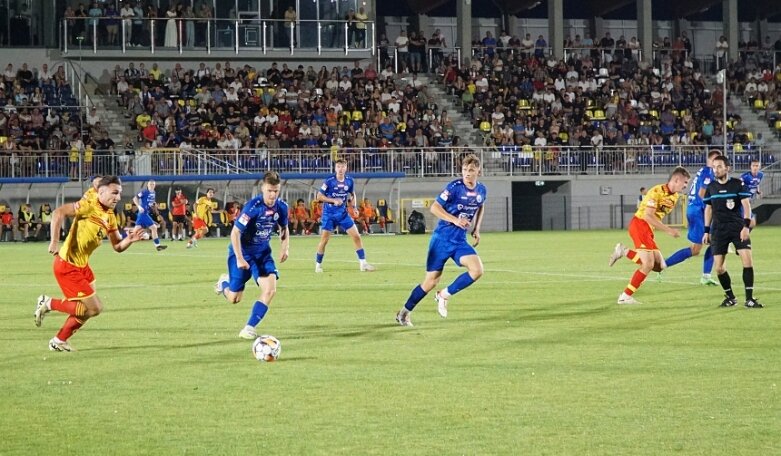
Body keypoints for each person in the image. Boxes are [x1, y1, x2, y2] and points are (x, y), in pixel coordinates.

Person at [33, 176, 145, 351]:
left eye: (119, 194)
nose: (117, 197)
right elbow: (58, 212)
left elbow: (117, 246)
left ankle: (59, 341)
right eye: (114, 193)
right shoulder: (88, 204)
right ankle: (48, 303)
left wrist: (129, 239)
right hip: (67, 265)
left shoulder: (110, 216)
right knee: (94, 309)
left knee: (85, 310)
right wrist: (54, 241)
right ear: (101, 192)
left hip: (83, 266)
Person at [395, 154, 487, 326]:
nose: (467, 173)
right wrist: (454, 220)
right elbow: (434, 207)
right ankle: (404, 312)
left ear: (478, 172)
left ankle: (443, 295)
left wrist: (477, 228)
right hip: (441, 240)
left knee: (477, 270)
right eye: (465, 170)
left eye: (471, 170)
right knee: (430, 282)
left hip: (459, 241)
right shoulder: (454, 187)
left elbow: (481, 205)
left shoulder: (482, 190)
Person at [214, 171, 290, 339]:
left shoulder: (282, 207)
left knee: (270, 290)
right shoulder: (252, 207)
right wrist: (240, 258)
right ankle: (224, 283)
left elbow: (284, 228)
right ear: (263, 188)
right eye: (269, 190)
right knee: (234, 298)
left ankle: (249, 327)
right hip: (242, 253)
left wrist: (285, 247)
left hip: (262, 253)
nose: (272, 194)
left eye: (276, 191)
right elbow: (235, 233)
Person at [608, 166, 691, 304]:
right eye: (685, 183)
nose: (685, 186)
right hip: (640, 224)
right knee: (648, 264)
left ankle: (624, 251)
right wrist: (669, 230)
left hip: (648, 229)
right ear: (676, 180)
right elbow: (647, 216)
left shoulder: (675, 197)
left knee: (660, 266)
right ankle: (625, 296)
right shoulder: (656, 191)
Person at [703, 156, 763, 308]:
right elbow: (708, 209)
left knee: (747, 261)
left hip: (737, 227)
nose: (716, 169)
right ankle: (730, 297)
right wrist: (706, 231)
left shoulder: (737, 184)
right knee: (719, 267)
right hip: (718, 229)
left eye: (719, 166)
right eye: (714, 167)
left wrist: (745, 226)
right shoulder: (711, 187)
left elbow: (746, 205)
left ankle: (749, 299)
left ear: (727, 168)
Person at [661, 150, 721, 285]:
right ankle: (662, 265)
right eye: (715, 161)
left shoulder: (705, 172)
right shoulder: (708, 172)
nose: (718, 164)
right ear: (710, 161)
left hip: (696, 210)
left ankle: (705, 276)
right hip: (698, 211)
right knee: (698, 248)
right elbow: (701, 193)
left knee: (710, 243)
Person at [314, 159, 375, 273]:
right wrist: (333, 200)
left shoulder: (349, 181)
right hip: (329, 215)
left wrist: (354, 207)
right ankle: (318, 264)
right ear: (335, 168)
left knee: (357, 236)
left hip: (343, 214)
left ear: (346, 168)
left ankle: (363, 264)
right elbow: (319, 197)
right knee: (324, 240)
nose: (340, 169)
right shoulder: (329, 181)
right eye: (338, 167)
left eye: (342, 166)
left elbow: (352, 195)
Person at [132, 180, 167, 251]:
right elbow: (135, 198)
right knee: (154, 227)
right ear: (147, 185)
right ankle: (158, 246)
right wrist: (139, 206)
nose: (152, 185)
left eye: (153, 184)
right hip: (143, 213)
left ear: (155, 185)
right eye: (150, 184)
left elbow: (151, 202)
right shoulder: (144, 192)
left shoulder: (154, 193)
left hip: (145, 213)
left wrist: (155, 205)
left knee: (135, 232)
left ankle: (122, 242)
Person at [740, 159, 764, 229]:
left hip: (748, 202)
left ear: (759, 167)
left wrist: (758, 191)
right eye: (753, 165)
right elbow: (738, 185)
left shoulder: (760, 175)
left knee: (751, 223)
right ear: (750, 167)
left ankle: (742, 235)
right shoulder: (745, 176)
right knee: (751, 222)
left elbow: (757, 184)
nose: (755, 167)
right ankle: (742, 235)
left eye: (757, 166)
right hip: (742, 202)